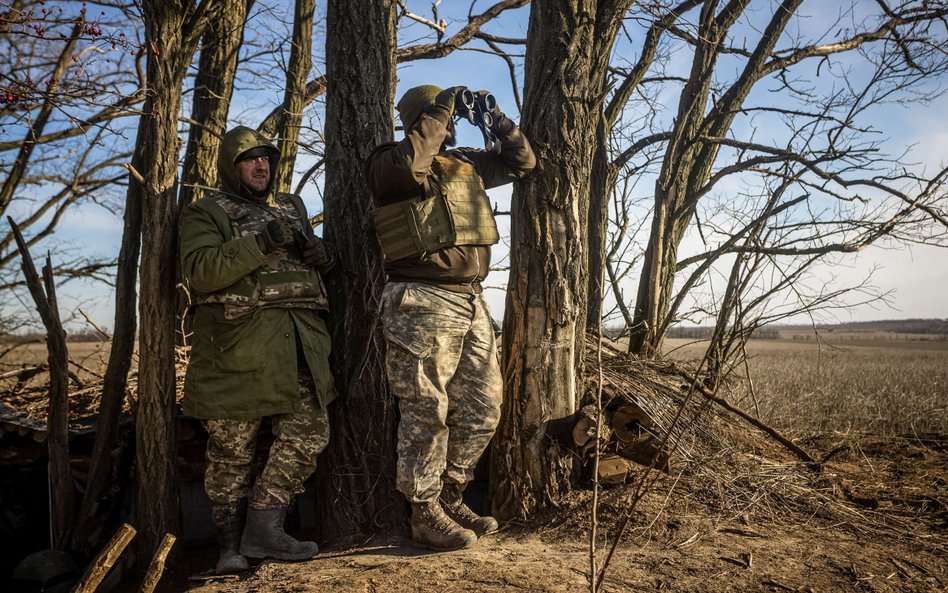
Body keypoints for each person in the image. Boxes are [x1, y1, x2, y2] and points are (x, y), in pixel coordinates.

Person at [364, 84, 536, 550]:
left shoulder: (465, 163)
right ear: (421, 119)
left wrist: (496, 117)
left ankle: (451, 494)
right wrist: (440, 106)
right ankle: (423, 512)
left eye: (451, 113)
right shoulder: (390, 162)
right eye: (440, 115)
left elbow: (523, 163)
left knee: (485, 405)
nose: (451, 120)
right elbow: (409, 162)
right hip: (420, 298)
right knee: (426, 410)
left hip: (470, 300)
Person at [179, 126, 337, 574]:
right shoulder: (204, 212)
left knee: (310, 433)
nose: (260, 165)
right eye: (249, 159)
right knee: (232, 453)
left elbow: (310, 264)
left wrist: (320, 254)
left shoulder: (291, 206)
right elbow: (201, 271)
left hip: (299, 344)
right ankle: (228, 547)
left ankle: (264, 526)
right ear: (231, 167)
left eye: (265, 158)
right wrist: (261, 242)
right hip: (236, 351)